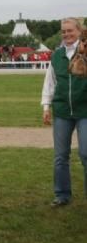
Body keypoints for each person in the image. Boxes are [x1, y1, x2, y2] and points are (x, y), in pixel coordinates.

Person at [41, 17, 87, 207]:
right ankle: (62, 194)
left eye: (70, 31)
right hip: (61, 111)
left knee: (86, 154)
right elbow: (50, 82)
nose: (67, 34)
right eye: (63, 31)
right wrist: (46, 106)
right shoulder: (56, 55)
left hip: (84, 110)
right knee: (61, 156)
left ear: (79, 31)